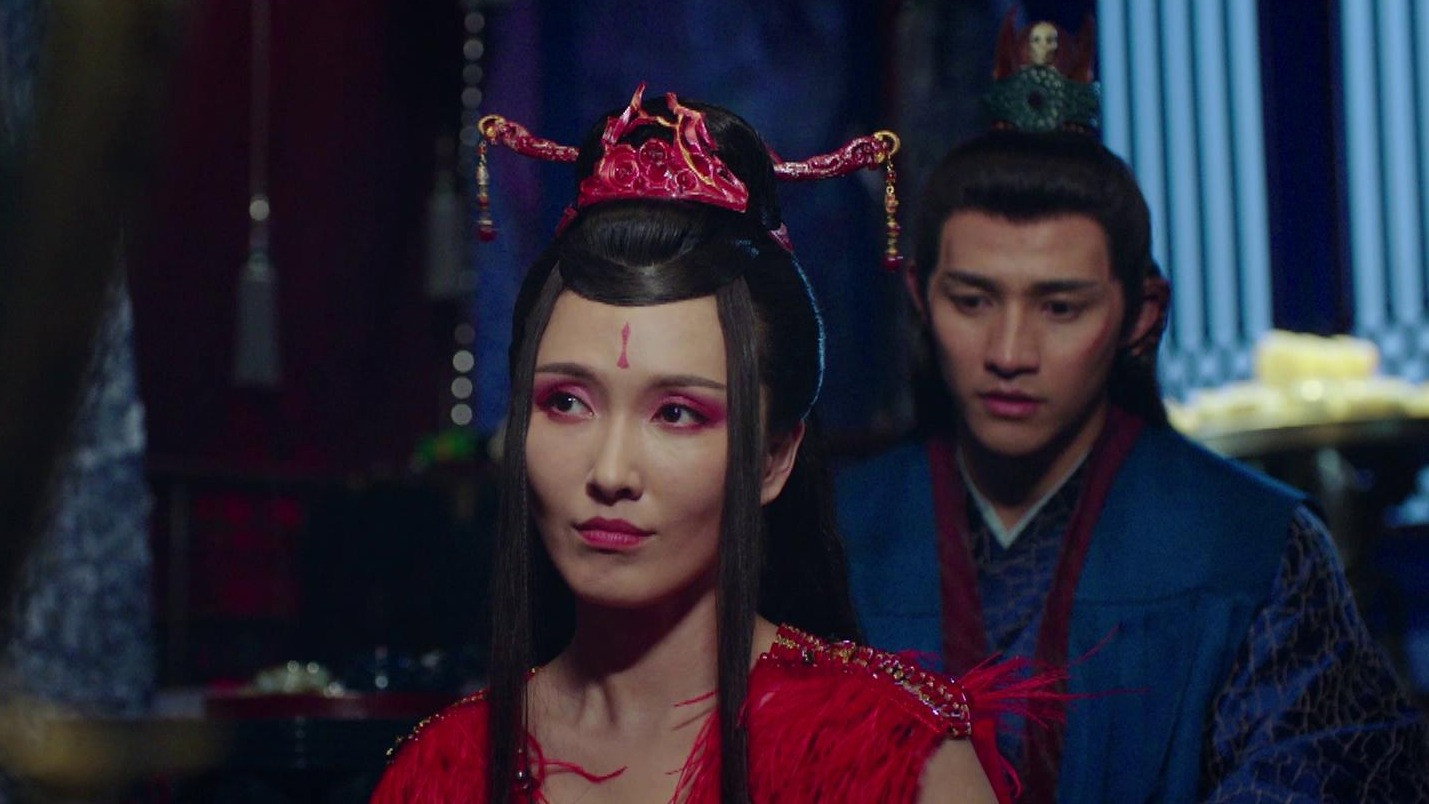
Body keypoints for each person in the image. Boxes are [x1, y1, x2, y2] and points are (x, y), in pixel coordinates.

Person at [373, 87, 1052, 803]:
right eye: (566, 402)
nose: (610, 472)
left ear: (774, 458)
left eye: (676, 413)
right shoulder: (443, 772)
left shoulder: (890, 755)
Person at [837, 128, 1429, 801]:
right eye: (971, 302)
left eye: (1060, 308)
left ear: (1141, 315)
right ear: (920, 296)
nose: (1008, 352)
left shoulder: (1253, 546)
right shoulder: (833, 536)